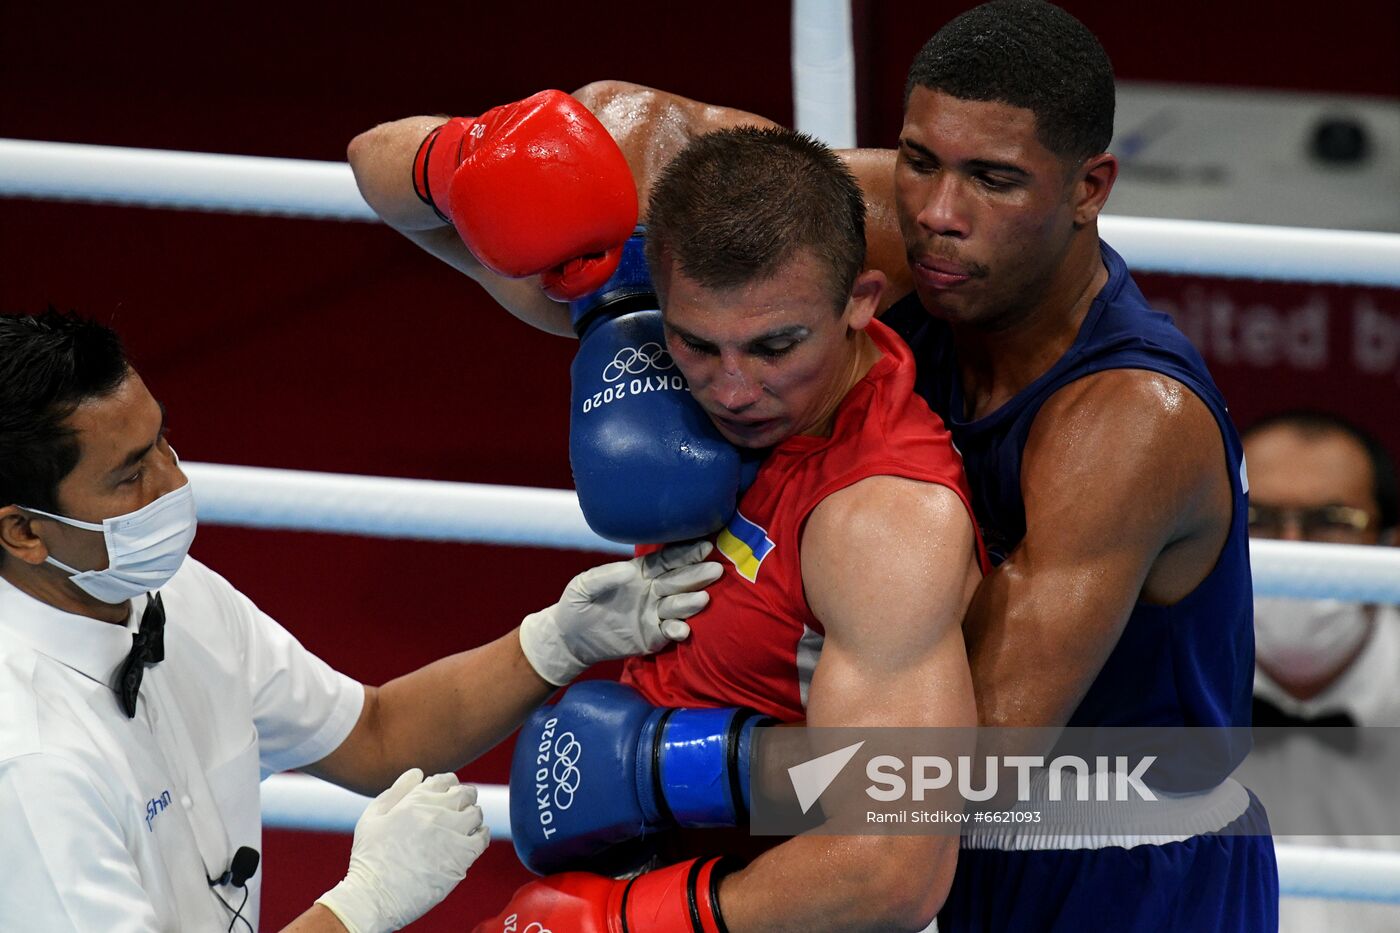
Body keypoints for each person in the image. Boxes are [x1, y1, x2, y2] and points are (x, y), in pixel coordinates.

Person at [348, 3, 1276, 926]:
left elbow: (952, 775)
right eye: (919, 160)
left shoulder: (1124, 422)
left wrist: (670, 761)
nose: (941, 213)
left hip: (1114, 860)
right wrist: (485, 163)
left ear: (1089, 186)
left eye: (995, 178)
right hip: (894, 853)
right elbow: (618, 126)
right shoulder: (864, 242)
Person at [356, 117, 988, 929]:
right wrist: (474, 157)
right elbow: (374, 167)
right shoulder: (645, 337)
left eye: (775, 346)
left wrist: (630, 919)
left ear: (860, 302)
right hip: (647, 859)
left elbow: (892, 866)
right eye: (698, 345)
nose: (731, 388)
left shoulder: (882, 520)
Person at [0, 309, 723, 932]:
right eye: (130, 475)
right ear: (23, 532)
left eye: (162, 439)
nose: (174, 482)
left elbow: (376, 734)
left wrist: (556, 641)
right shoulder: (31, 764)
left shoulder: (170, 596)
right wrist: (360, 905)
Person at [1243, 409, 1400, 933]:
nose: (1291, 547)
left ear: (1389, 543)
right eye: (1258, 518)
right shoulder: (1142, 688)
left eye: (1333, 522)